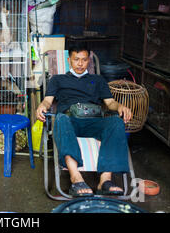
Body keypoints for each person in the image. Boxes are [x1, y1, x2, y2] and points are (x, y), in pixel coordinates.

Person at [36, 45, 132, 197]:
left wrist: (120, 106)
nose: (80, 64)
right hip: (69, 121)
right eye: (76, 60)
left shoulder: (98, 80)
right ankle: (76, 178)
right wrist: (42, 105)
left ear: (89, 61)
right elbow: (48, 101)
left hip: (94, 121)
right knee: (60, 118)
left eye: (84, 60)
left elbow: (110, 103)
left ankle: (105, 180)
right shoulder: (58, 79)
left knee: (116, 122)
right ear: (69, 60)